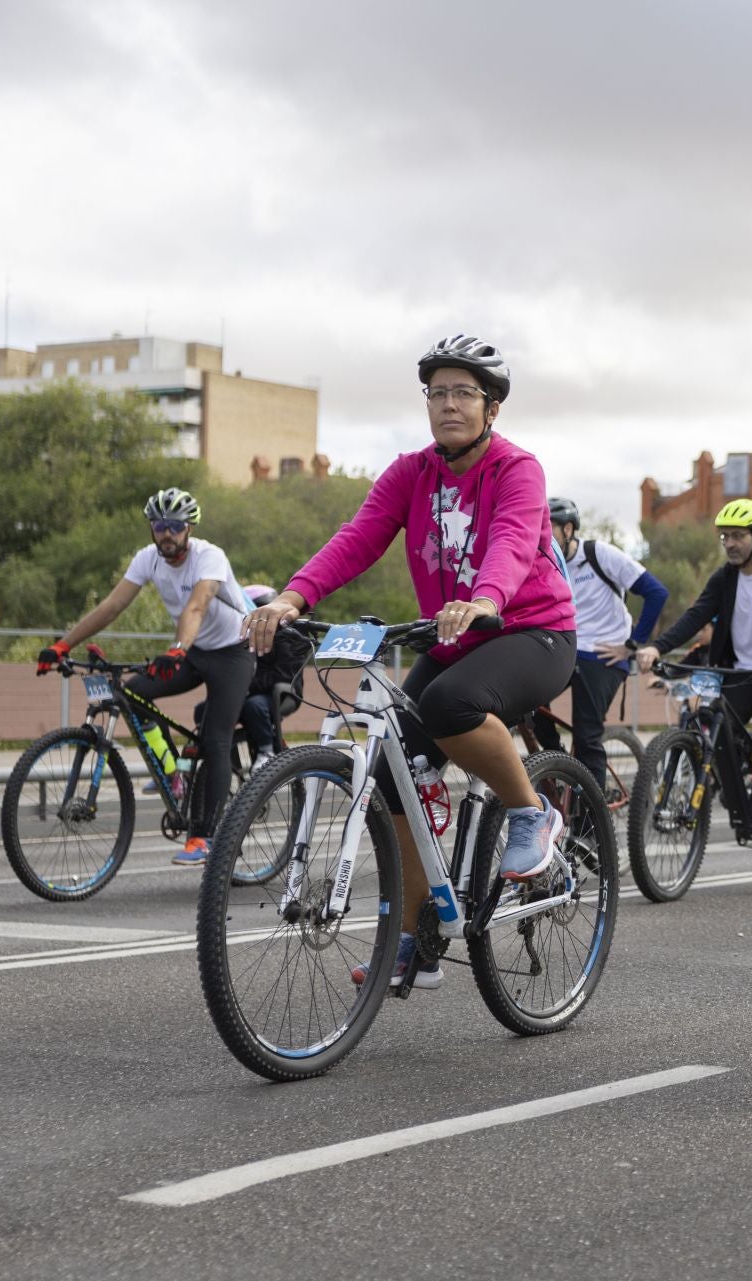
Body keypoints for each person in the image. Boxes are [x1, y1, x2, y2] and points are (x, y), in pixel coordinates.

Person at [243, 334, 576, 992]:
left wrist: (482, 598)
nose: (449, 404)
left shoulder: (519, 469)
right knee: (394, 773)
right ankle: (415, 935)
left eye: (464, 393)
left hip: (531, 631)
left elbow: (511, 541)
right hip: (453, 638)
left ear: (492, 407)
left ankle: (530, 812)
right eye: (438, 392)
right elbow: (357, 538)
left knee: (450, 705)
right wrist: (291, 595)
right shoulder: (410, 473)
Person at [37, 488, 257, 866]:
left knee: (215, 740)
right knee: (133, 696)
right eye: (159, 526)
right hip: (191, 651)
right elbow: (112, 605)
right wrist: (62, 645)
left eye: (174, 526)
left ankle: (204, 838)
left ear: (188, 528)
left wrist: (177, 649)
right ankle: (174, 774)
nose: (166, 533)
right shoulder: (147, 560)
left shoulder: (210, 557)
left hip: (233, 652)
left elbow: (197, 605)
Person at [635, 498, 752, 864]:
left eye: (737, 536)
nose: (730, 544)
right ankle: (745, 796)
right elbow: (696, 616)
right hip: (743, 671)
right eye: (725, 537)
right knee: (714, 727)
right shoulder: (725, 578)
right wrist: (658, 648)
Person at [536, 497, 668, 790]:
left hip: (603, 655)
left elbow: (656, 592)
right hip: (566, 650)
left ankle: (593, 826)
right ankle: (556, 764)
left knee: (586, 734)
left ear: (568, 529)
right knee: (528, 705)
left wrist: (633, 644)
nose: (540, 534)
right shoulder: (544, 564)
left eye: (548, 527)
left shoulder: (599, 554)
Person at [236, 584, 308, 764]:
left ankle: (266, 752)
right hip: (252, 691)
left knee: (254, 706)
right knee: (204, 710)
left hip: (282, 692)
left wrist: (246, 685)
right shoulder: (247, 637)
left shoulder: (287, 637)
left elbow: (283, 675)